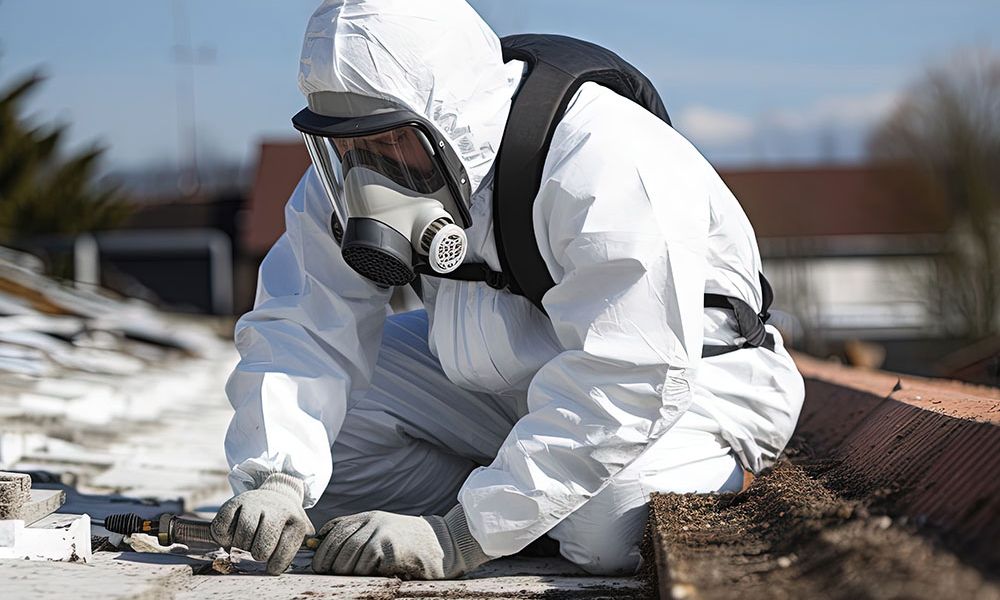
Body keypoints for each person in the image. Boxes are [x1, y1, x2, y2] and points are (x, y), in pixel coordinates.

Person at [212, 0, 805, 580]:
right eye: (347, 142)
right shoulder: (352, 166)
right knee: (325, 465)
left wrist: (464, 536)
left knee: (605, 533)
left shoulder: (604, 159)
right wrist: (278, 478)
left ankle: (544, 501)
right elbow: (303, 322)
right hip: (494, 382)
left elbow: (630, 371)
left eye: (389, 140)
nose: (369, 170)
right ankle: (524, 498)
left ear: (449, 114)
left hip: (687, 382)